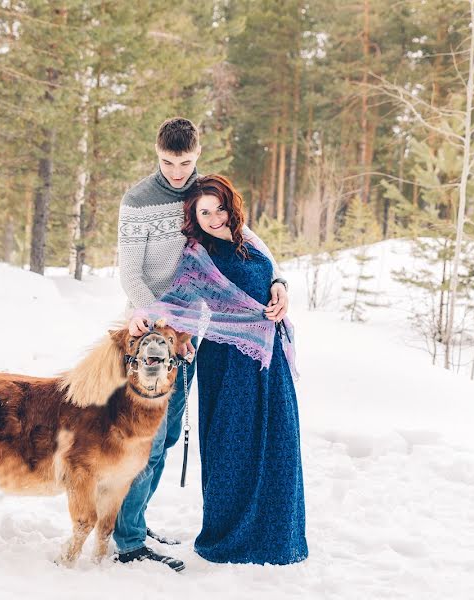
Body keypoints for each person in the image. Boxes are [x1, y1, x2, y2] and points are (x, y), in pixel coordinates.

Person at [115, 118, 288, 571]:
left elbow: (251, 240)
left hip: (194, 335)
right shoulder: (138, 200)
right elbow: (131, 275)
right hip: (153, 329)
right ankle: (128, 540)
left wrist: (280, 281)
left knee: (169, 434)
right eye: (168, 162)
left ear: (198, 156)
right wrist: (163, 326)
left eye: (185, 162)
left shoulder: (204, 197)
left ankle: (135, 519)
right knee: (146, 439)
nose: (176, 171)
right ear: (157, 154)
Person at [180, 174, 308, 565]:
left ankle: (278, 539)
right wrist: (171, 330)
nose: (214, 217)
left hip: (270, 359)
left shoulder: (248, 240)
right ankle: (228, 538)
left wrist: (280, 286)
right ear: (194, 216)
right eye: (205, 212)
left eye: (219, 208)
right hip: (227, 360)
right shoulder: (196, 254)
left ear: (230, 206)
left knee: (279, 443)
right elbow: (180, 299)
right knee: (229, 446)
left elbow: (272, 274)